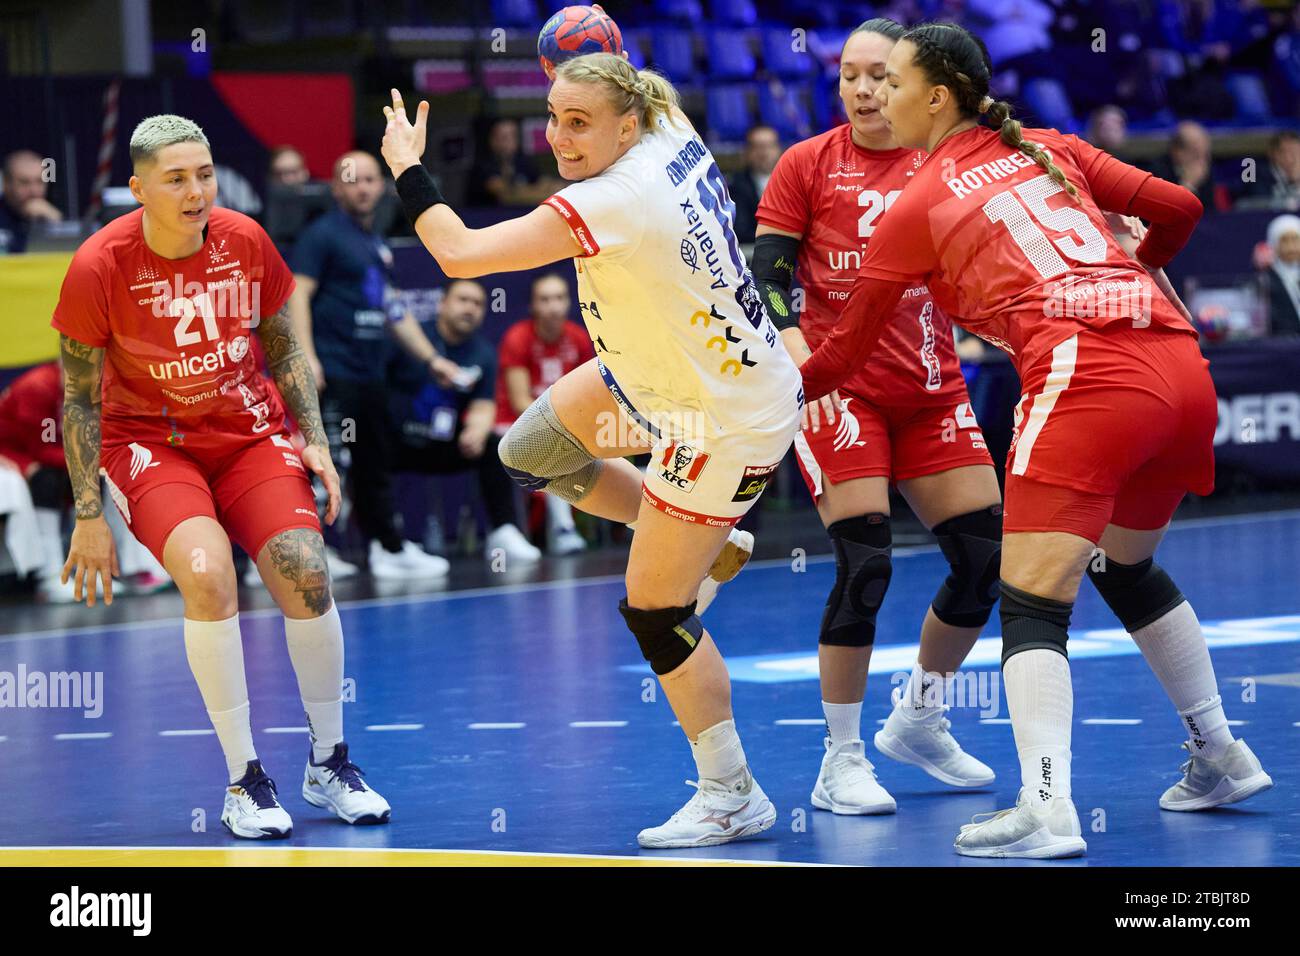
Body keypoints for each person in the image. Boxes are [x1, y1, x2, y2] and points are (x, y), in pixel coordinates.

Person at [799, 22, 1272, 858]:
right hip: (1178, 364)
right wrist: (1147, 265)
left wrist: (750, 390)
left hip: (1087, 377)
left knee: (1030, 602)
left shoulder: (917, 203)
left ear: (936, 96)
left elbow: (843, 354)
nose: (879, 97)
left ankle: (1047, 807)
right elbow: (1181, 208)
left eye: (894, 82)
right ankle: (1220, 754)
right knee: (1124, 568)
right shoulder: (1051, 144)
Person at [380, 51, 802, 848]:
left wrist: (408, 167)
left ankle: (731, 792)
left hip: (719, 416)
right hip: (658, 371)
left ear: (625, 124)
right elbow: (622, 70)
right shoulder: (669, 120)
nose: (559, 138)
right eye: (551, 116)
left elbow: (460, 255)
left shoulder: (617, 196)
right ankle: (713, 542)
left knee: (656, 611)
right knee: (530, 447)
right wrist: (579, 51)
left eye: (578, 123)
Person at [52, 114, 391, 840]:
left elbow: (283, 345)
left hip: (247, 433)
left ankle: (329, 763)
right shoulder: (98, 266)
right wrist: (87, 512)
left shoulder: (245, 241)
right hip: (150, 443)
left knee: (305, 568)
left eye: (204, 174)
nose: (196, 190)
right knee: (209, 576)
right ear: (137, 187)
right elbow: (78, 397)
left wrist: (318, 442)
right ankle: (245, 781)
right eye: (176, 178)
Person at [755, 18, 999, 817]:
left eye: (878, 76)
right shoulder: (806, 164)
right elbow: (769, 276)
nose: (862, 90)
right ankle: (841, 758)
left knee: (983, 559)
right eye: (849, 76)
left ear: (907, 85)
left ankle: (922, 717)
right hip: (841, 390)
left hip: (932, 388)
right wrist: (800, 355)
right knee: (866, 567)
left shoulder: (947, 160)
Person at [288, 150, 449, 578]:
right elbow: (296, 294)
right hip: (335, 372)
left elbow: (393, 307)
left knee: (373, 463)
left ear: (382, 186)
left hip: (371, 373)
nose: (362, 188)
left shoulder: (375, 243)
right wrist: (307, 359)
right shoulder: (321, 236)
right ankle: (307, 555)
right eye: (352, 180)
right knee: (327, 464)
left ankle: (387, 548)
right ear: (337, 188)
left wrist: (432, 359)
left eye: (370, 180)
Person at [386, 279, 541, 563]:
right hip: (398, 442)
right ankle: (386, 545)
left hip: (445, 444)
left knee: (495, 446)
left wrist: (477, 430)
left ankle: (503, 532)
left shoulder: (482, 353)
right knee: (367, 448)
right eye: (463, 300)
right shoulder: (413, 340)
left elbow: (484, 405)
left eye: (478, 303)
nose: (470, 308)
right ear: (442, 303)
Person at [0, 361, 170, 602]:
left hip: (46, 453)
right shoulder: (38, 387)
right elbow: (42, 447)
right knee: (47, 480)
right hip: (11, 453)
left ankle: (96, 571)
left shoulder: (95, 388)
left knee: (100, 480)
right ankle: (49, 578)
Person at [495, 272, 594, 555]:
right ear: (533, 306)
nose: (553, 306)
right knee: (558, 449)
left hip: (567, 423)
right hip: (514, 425)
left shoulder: (578, 338)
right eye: (545, 299)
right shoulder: (518, 338)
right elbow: (518, 401)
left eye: (560, 298)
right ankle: (563, 529)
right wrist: (562, 426)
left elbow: (591, 393)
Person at [466, 117, 559, 206]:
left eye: (513, 136)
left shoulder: (522, 161)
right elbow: (506, 195)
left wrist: (551, 188)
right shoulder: (483, 165)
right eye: (504, 137)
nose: (509, 141)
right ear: (492, 140)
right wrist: (543, 194)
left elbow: (544, 183)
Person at [1147, 120, 1230, 213]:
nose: (1201, 161)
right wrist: (1189, 185)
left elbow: (1211, 212)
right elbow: (1164, 214)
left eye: (1205, 154)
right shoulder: (1156, 172)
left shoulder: (1205, 167)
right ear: (1177, 151)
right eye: (1195, 153)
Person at [0, 149, 63, 254]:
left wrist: (56, 225)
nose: (34, 190)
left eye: (40, 182)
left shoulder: (49, 215)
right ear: (6, 184)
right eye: (24, 182)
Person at [727, 125, 781, 247]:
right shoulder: (736, 186)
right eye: (758, 147)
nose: (764, 153)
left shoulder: (792, 181)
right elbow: (741, 231)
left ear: (778, 149)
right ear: (747, 152)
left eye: (769, 146)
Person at [1260, 213, 1300, 336]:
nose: (1291, 247)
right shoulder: (1266, 280)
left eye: (1295, 240)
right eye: (1285, 241)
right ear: (1274, 245)